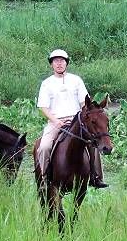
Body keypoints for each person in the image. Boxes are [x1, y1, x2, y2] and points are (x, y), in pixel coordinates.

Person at [36, 49, 108, 188]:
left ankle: (96, 177)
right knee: (44, 147)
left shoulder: (76, 80)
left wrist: (84, 116)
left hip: (77, 119)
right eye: (56, 61)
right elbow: (43, 107)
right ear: (51, 64)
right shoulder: (47, 83)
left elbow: (84, 102)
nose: (59, 63)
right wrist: (56, 121)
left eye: (62, 61)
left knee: (93, 142)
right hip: (55, 121)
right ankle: (44, 178)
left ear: (66, 63)